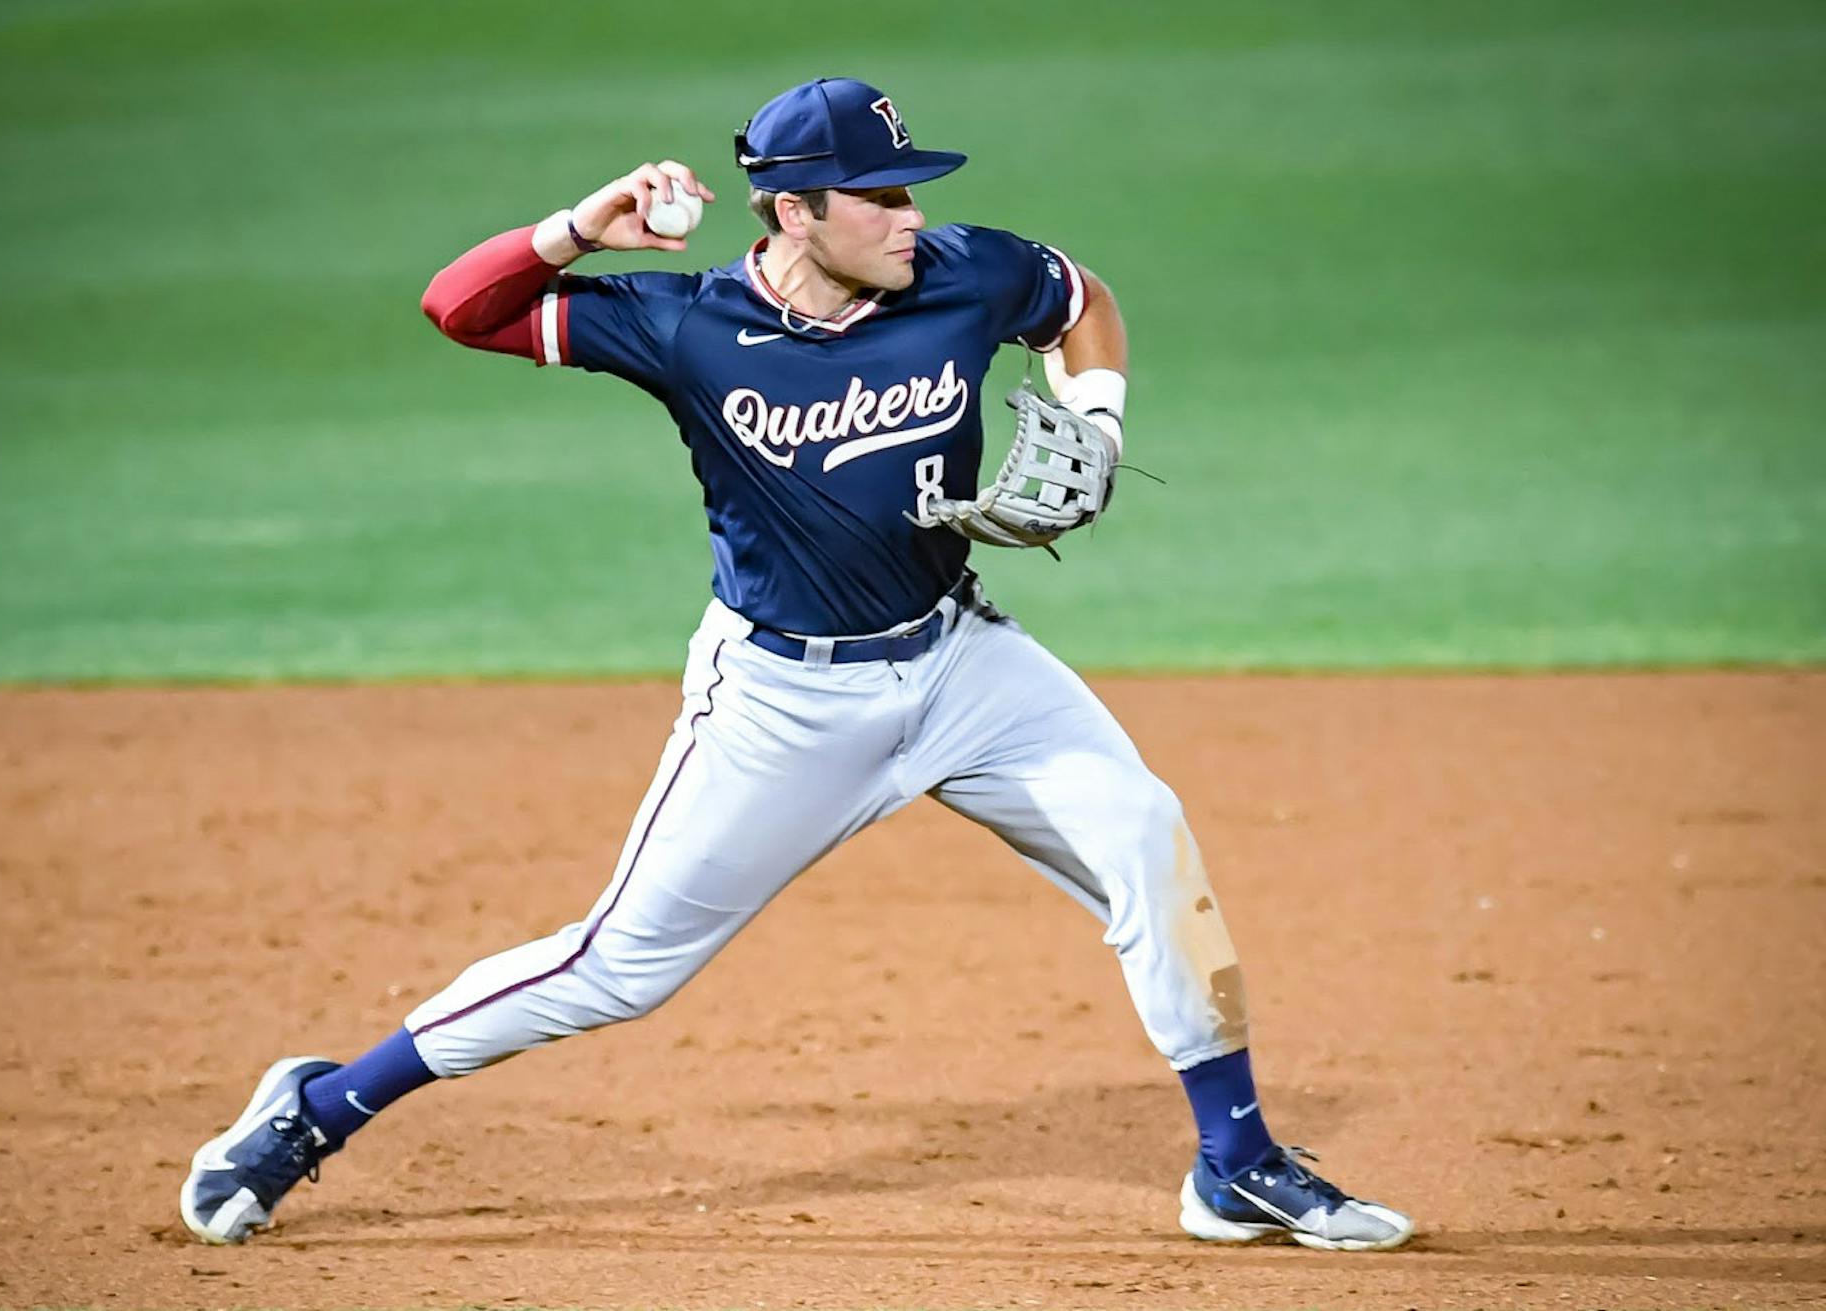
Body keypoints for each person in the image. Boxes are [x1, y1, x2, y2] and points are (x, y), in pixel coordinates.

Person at [180, 77, 1413, 1253]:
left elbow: (1077, 295)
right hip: (781, 703)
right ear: (793, 211)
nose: (908, 217)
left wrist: (1096, 419)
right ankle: (315, 1107)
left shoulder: (963, 273)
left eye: (909, 188)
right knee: (615, 968)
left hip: (966, 668)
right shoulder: (683, 325)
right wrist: (577, 228)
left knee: (1144, 833)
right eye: (877, 197)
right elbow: (461, 308)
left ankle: (1231, 1163)